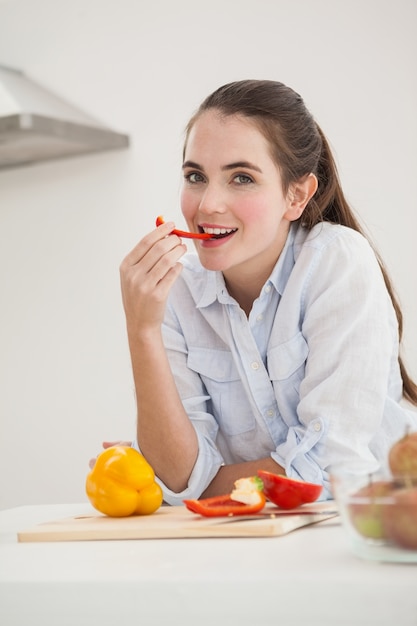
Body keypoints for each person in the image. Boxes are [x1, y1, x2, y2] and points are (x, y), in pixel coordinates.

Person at [115, 79, 417, 505]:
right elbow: (178, 476)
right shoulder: (174, 290)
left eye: (241, 177)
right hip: (254, 535)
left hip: (376, 528)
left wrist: (203, 482)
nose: (207, 205)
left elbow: (328, 472)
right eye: (196, 176)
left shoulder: (336, 262)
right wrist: (141, 328)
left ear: (296, 196)